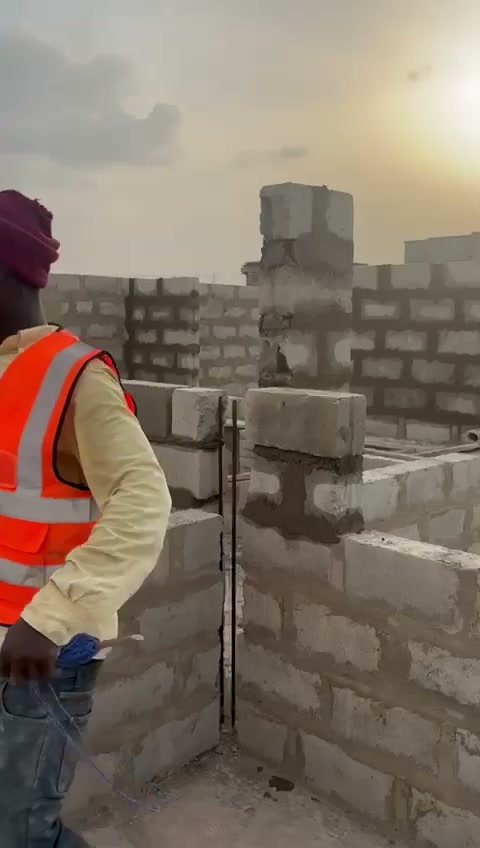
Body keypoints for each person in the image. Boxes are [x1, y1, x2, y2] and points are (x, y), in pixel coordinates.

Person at [0, 190, 172, 846]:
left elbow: (143, 499)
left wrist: (49, 619)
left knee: (22, 832)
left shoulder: (75, 376)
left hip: (43, 653)